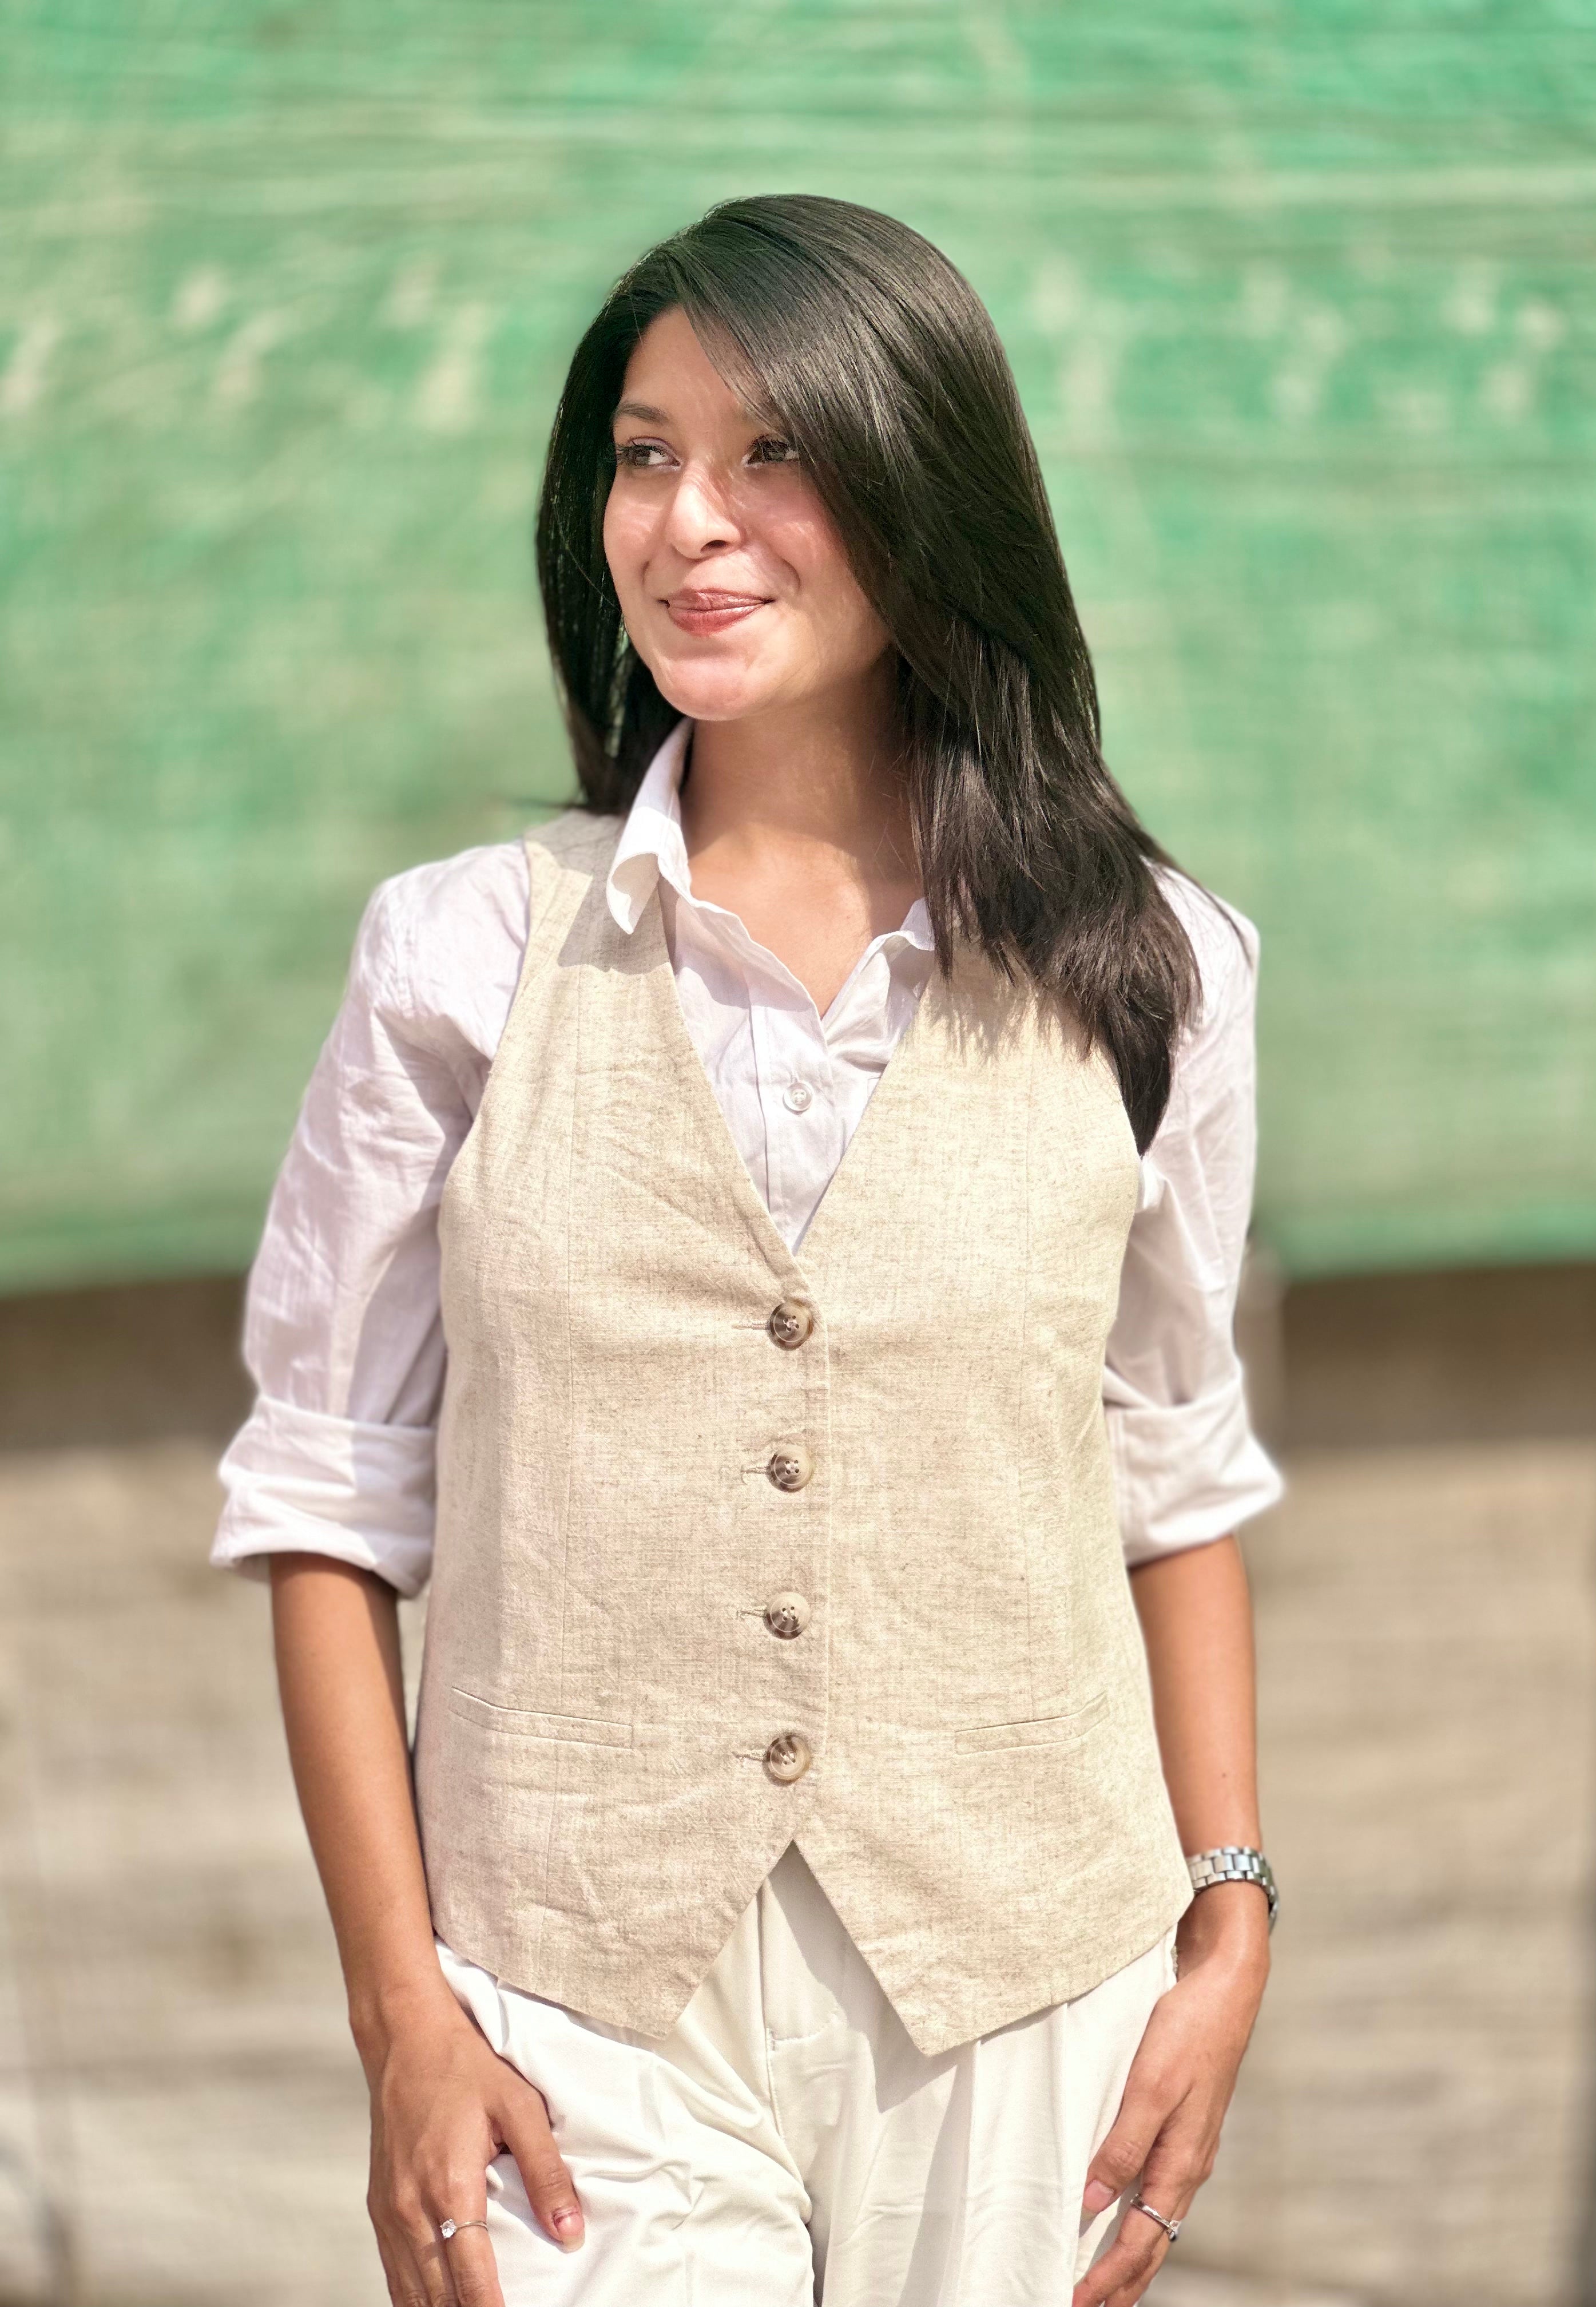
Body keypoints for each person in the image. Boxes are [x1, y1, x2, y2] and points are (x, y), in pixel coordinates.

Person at [212, 193, 1284, 2307]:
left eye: (773, 451)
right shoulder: (463, 955)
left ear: (922, 479)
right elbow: (329, 1496)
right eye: (641, 453)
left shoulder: (1155, 969)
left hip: (1023, 1981)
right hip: (564, 1995)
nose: (688, 520)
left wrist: (1232, 1915)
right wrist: (400, 2012)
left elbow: (1172, 1461)